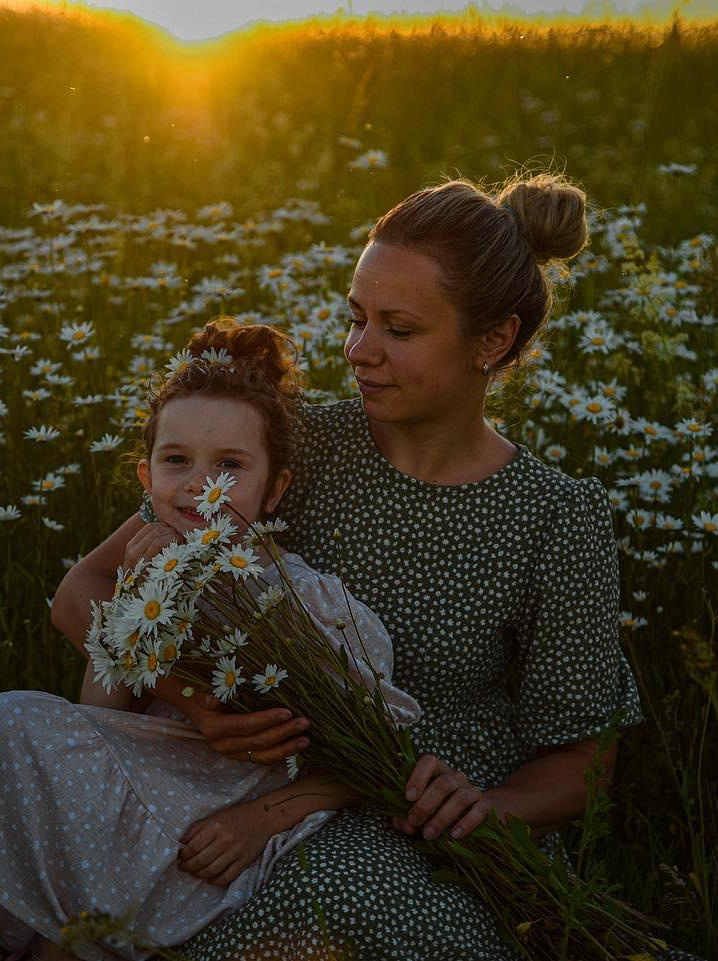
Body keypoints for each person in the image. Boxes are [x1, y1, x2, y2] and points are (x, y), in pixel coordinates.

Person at [51, 173, 646, 960]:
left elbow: (586, 758)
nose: (357, 351)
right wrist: (195, 702)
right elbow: (86, 592)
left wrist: (490, 808)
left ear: (492, 341)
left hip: (421, 828)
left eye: (398, 329)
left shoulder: (555, 515)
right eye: (356, 318)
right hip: (243, 789)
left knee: (331, 919)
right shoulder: (296, 444)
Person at [0, 319, 420, 961]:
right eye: (176, 461)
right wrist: (138, 600)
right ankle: (83, 925)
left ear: (275, 491)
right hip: (151, 785)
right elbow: (100, 717)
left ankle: (89, 933)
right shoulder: (150, 574)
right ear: (146, 477)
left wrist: (259, 821)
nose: (197, 486)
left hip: (236, 809)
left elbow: (384, 743)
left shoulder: (298, 603)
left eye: (229, 468)